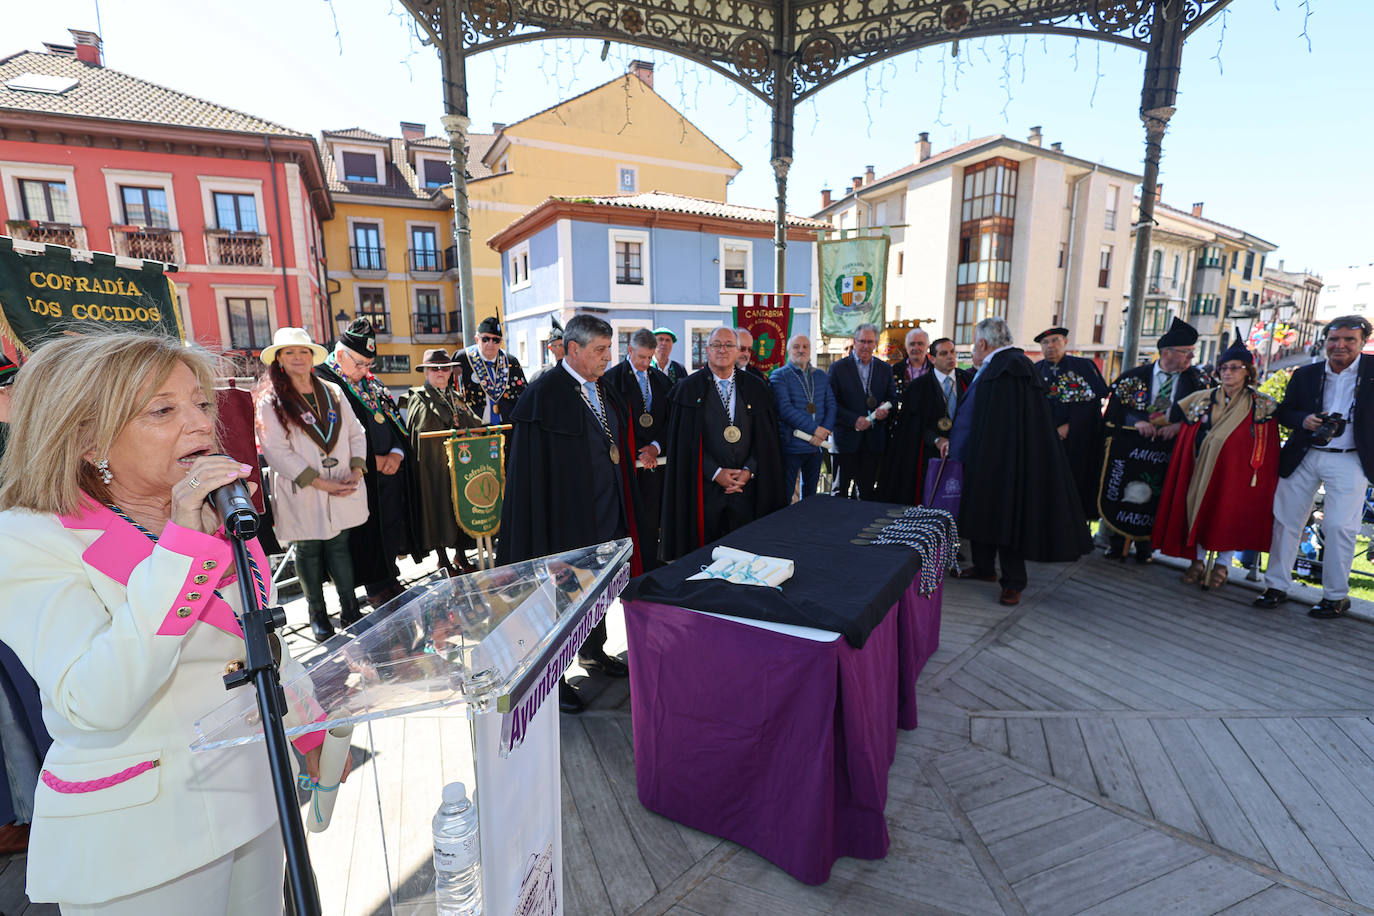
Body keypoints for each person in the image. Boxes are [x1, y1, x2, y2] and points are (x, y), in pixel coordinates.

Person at [0, 331, 343, 914]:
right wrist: (184, 545)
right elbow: (96, 697)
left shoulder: (215, 515)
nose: (199, 423)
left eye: (200, 403)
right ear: (87, 439)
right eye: (163, 409)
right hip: (142, 838)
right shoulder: (27, 539)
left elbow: (258, 640)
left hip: (255, 797)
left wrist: (309, 730)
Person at [498, 315, 634, 713]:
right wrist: (544, 545)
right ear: (573, 350)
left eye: (609, 349)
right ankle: (550, 678)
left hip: (605, 515)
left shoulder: (601, 388)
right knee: (559, 603)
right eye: (599, 350)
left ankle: (593, 652)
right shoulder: (543, 396)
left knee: (598, 592)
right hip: (563, 527)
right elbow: (529, 481)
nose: (608, 358)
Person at [948, 317, 1092, 605]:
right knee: (982, 512)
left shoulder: (1010, 368)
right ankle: (984, 567)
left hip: (1005, 461)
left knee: (1005, 517)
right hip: (986, 457)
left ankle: (1013, 581)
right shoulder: (1000, 365)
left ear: (982, 343)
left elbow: (1008, 422)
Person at [1253, 315, 1374, 618]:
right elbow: (1285, 412)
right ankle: (1276, 586)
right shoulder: (1305, 374)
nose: (1340, 345)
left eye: (1349, 339)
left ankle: (1335, 596)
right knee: (1286, 521)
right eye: (1334, 339)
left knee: (1339, 527)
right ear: (1325, 341)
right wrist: (1304, 420)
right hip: (1304, 453)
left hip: (1351, 457)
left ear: (1362, 342)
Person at [256, 327, 369, 641]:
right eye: (290, 352)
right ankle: (317, 614)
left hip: (343, 482)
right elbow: (275, 450)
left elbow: (355, 432)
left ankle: (349, 609)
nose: (297, 358)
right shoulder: (271, 400)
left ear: (311, 356)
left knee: (340, 545)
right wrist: (320, 482)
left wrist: (357, 469)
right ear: (279, 359)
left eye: (303, 351)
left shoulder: (332, 390)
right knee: (308, 549)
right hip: (304, 488)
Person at [1151, 343, 1280, 589]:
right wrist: (1144, 419)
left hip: (1238, 473)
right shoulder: (1201, 400)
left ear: (1247, 371)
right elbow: (1165, 416)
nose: (1227, 373)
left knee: (1228, 514)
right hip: (1201, 468)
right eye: (1223, 368)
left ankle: (1223, 563)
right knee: (1199, 510)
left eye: (1234, 368)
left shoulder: (1263, 405)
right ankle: (1197, 561)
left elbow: (1267, 444)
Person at [661, 327, 788, 558]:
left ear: (738, 350)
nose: (723, 349)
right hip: (703, 492)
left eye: (729, 345)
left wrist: (749, 470)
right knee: (704, 558)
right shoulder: (687, 389)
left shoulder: (757, 387)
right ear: (707, 350)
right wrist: (715, 472)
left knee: (747, 555)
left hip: (747, 490)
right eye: (716, 345)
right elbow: (683, 446)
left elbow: (767, 442)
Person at [316, 318, 416, 609]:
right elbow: (330, 438)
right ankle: (374, 587)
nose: (365, 370)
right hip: (356, 474)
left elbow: (394, 422)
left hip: (388, 472)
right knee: (365, 532)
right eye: (359, 364)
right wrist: (375, 459)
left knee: (389, 524)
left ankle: (388, 576)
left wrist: (397, 452)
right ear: (340, 354)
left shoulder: (372, 384)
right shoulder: (324, 381)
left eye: (368, 364)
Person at [1101, 318, 1205, 562]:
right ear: (1167, 352)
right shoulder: (1132, 377)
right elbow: (1115, 411)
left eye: (1192, 352)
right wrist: (1136, 420)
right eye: (1187, 352)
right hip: (1131, 449)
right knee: (1124, 491)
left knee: (1159, 495)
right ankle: (1116, 542)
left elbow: (1206, 415)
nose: (1191, 357)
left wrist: (1181, 426)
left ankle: (1147, 545)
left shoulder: (1197, 381)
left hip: (1170, 450)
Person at [404, 348, 482, 577]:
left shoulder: (455, 396)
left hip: (458, 463)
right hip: (433, 466)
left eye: (444, 368)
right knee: (436, 507)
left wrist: (479, 430)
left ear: (450, 372)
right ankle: (443, 559)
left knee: (459, 507)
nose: (440, 372)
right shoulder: (419, 397)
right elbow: (421, 431)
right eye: (434, 368)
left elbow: (473, 420)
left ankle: (461, 554)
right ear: (426, 372)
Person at [603, 329, 672, 569]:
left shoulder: (661, 380)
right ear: (629, 350)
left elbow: (668, 420)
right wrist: (635, 453)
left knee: (652, 521)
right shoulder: (610, 380)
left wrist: (655, 447)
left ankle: (651, 566)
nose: (645, 363)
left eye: (649, 357)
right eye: (641, 357)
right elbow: (610, 425)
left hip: (654, 464)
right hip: (626, 465)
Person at [880, 337, 971, 505]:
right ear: (932, 359)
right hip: (928, 457)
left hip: (962, 455)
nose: (950, 357)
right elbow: (912, 427)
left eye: (952, 352)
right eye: (944, 353)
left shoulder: (968, 381)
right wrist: (936, 439)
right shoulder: (918, 388)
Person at [1034, 326, 1109, 523]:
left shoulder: (1083, 366)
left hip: (1079, 440)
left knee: (1077, 484)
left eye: (1055, 341)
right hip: (1046, 440)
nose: (1050, 346)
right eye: (1045, 343)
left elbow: (1094, 401)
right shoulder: (1036, 370)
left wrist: (1070, 426)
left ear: (1065, 342)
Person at [828, 323, 897, 500]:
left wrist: (884, 410)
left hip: (873, 441)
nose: (866, 346)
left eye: (870, 341)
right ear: (854, 341)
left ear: (876, 343)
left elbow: (893, 399)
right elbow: (831, 403)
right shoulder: (838, 368)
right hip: (845, 440)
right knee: (839, 493)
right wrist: (853, 420)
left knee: (866, 493)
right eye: (862, 341)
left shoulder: (885, 369)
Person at [770, 333, 836, 500]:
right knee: (785, 493)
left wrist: (824, 431)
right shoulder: (779, 376)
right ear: (788, 350)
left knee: (811, 495)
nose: (801, 350)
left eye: (805, 346)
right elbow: (785, 410)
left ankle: (810, 525)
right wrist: (816, 430)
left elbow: (831, 405)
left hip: (816, 446)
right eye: (796, 347)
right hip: (791, 445)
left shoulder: (821, 375)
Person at [453, 316, 527, 424]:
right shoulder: (462, 359)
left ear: (501, 341)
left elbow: (523, 395)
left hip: (507, 426)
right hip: (473, 427)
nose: (490, 344)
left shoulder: (511, 361)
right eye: (485, 339)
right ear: (477, 339)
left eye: (495, 340)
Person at [892, 327, 931, 401]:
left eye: (920, 344)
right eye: (912, 344)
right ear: (906, 347)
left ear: (927, 346)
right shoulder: (895, 369)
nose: (916, 348)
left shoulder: (935, 369)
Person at [526, 316, 565, 384]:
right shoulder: (539, 376)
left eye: (562, 345)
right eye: (557, 346)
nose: (561, 349)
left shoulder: (576, 373)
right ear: (550, 348)